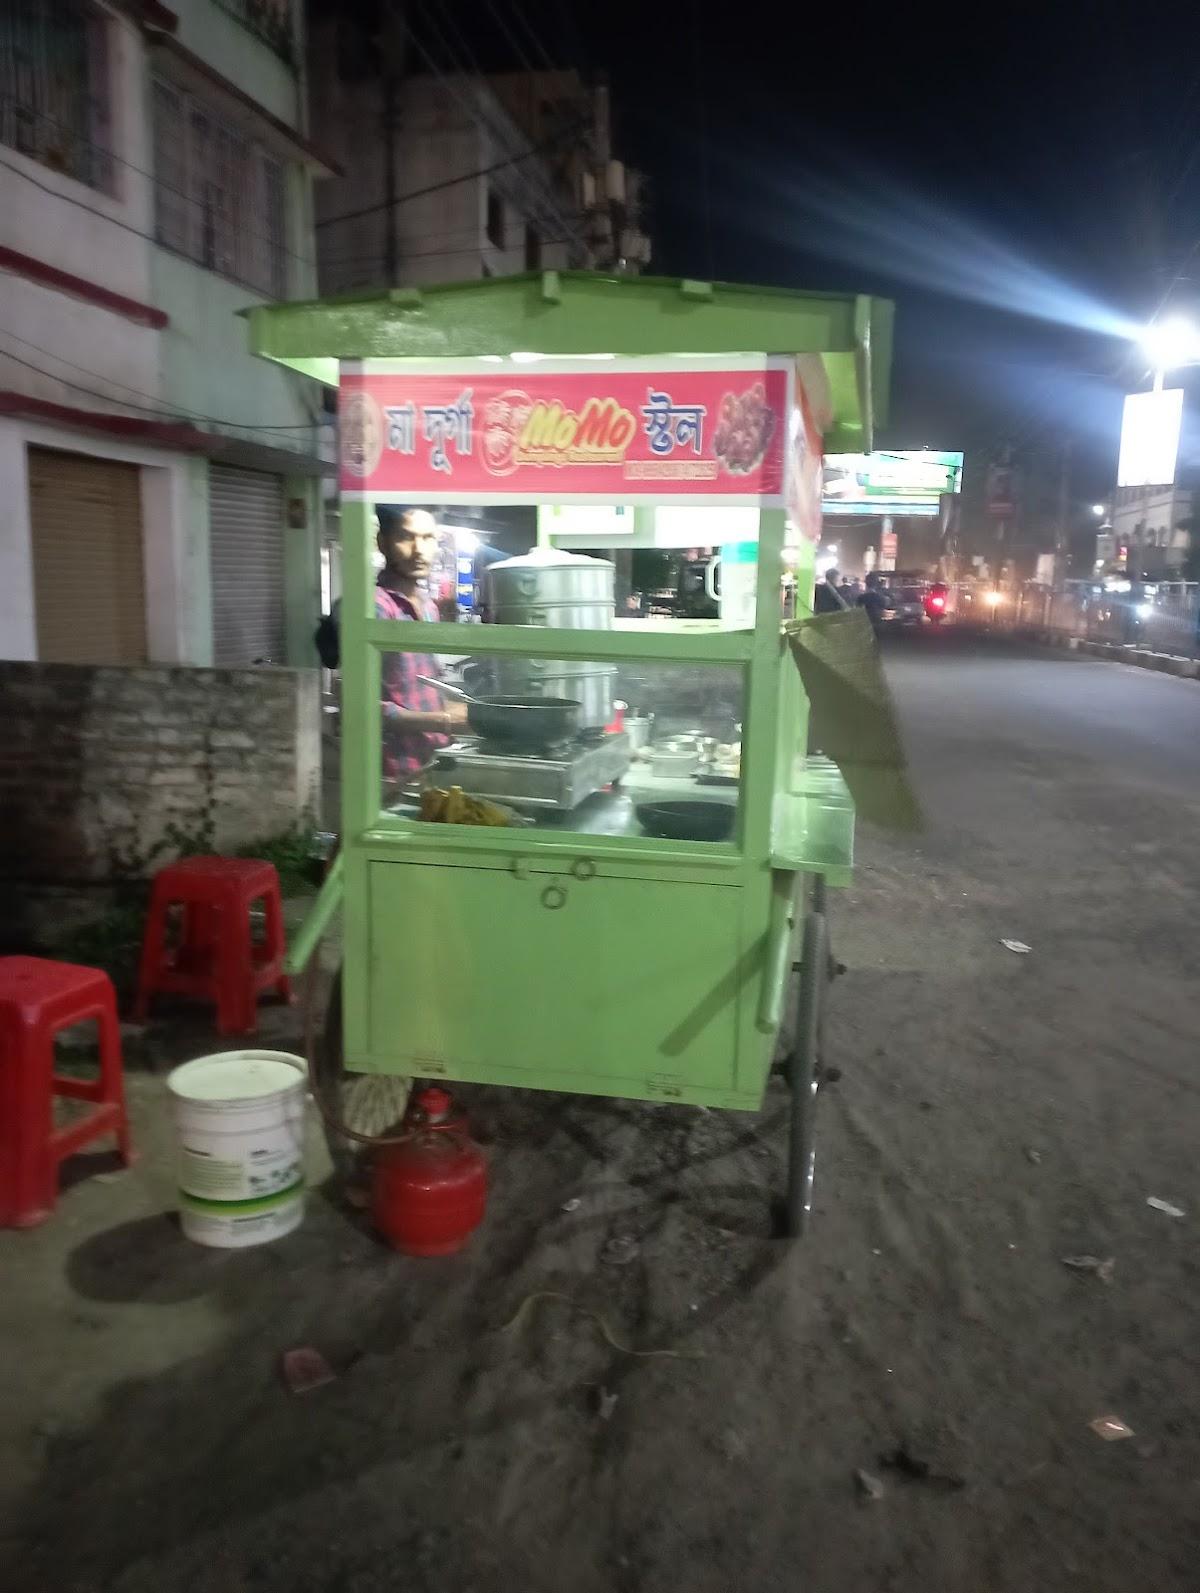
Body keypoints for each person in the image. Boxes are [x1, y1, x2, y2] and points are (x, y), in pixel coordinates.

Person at [374, 506, 468, 781]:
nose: (419, 550)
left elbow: (418, 689)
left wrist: (464, 711)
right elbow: (363, 704)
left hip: (432, 764)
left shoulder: (428, 608)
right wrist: (446, 721)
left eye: (428, 538)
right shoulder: (376, 608)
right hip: (395, 772)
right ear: (383, 543)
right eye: (406, 537)